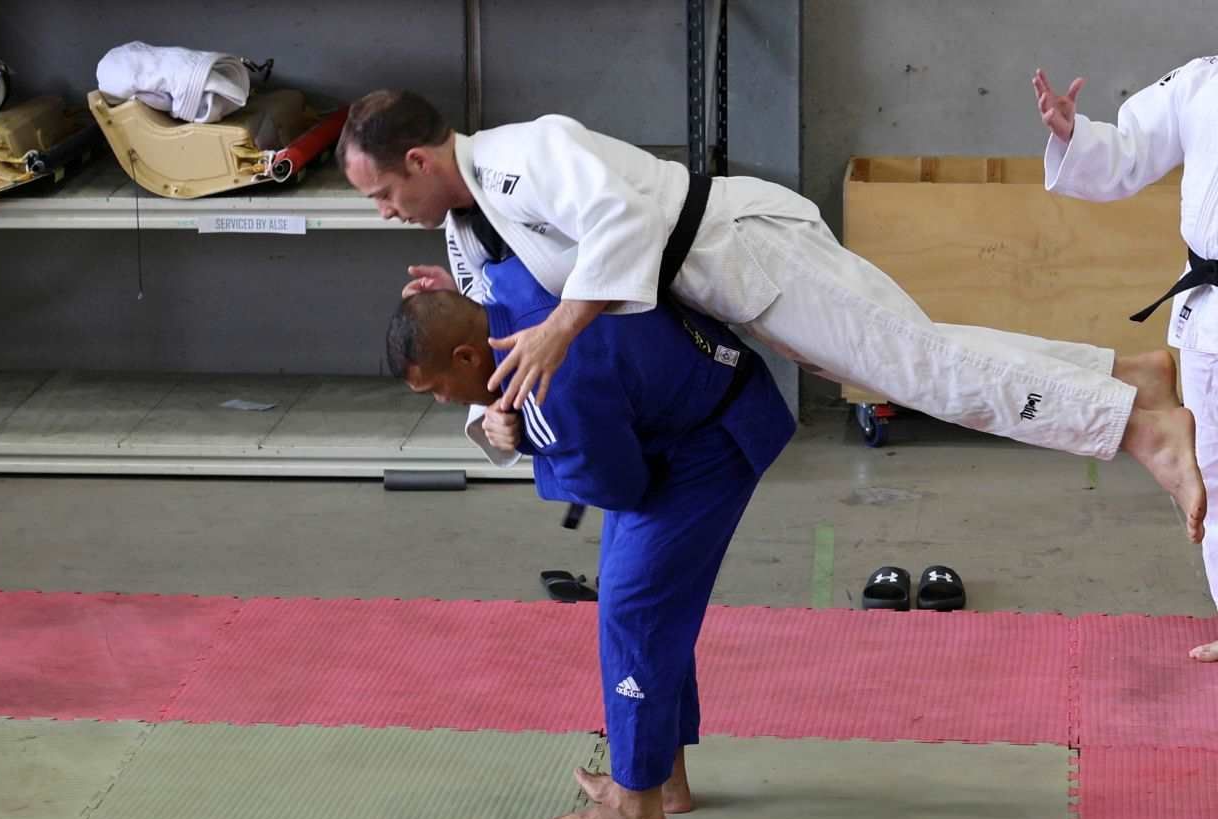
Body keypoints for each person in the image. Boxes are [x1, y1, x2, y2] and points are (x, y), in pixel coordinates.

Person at [336, 89, 1207, 542]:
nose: (381, 211)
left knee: (918, 372)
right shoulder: (464, 229)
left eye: (382, 193)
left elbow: (623, 219)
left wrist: (565, 322)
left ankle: (1138, 427)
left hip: (746, 246)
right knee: (911, 357)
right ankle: (1124, 375)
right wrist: (465, 312)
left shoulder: (528, 151)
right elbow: (495, 310)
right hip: (729, 283)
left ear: (416, 159)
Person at [389, 248, 794, 819]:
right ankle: (664, 780)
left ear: (469, 356)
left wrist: (528, 438)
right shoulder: (509, 286)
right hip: (690, 397)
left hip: (710, 439)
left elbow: (620, 488)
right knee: (645, 604)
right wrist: (458, 293)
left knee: (634, 606)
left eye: (439, 390)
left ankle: (637, 805)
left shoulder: (553, 394)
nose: (445, 403)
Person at [1034, 58, 1218, 661]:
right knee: (1212, 470)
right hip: (1211, 306)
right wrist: (1072, 132)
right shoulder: (1201, 81)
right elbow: (1131, 149)